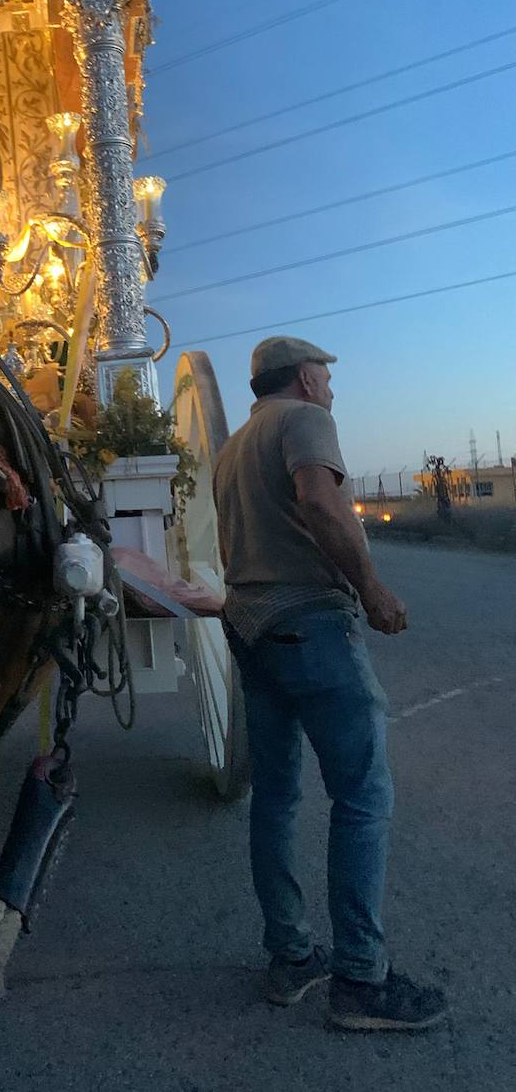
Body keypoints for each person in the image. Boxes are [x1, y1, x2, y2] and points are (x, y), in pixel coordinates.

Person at [213, 336, 447, 1031]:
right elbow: (319, 500)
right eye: (327, 376)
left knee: (276, 799)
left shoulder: (231, 447)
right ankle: (360, 979)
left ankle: (290, 957)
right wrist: (369, 587)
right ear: (307, 378)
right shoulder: (304, 420)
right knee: (362, 797)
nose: (332, 390)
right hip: (312, 622)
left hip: (251, 627)